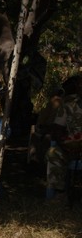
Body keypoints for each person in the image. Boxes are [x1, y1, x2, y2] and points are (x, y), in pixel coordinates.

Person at [45, 74, 82, 204]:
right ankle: (60, 193)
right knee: (53, 153)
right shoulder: (68, 105)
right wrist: (66, 143)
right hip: (71, 147)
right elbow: (56, 129)